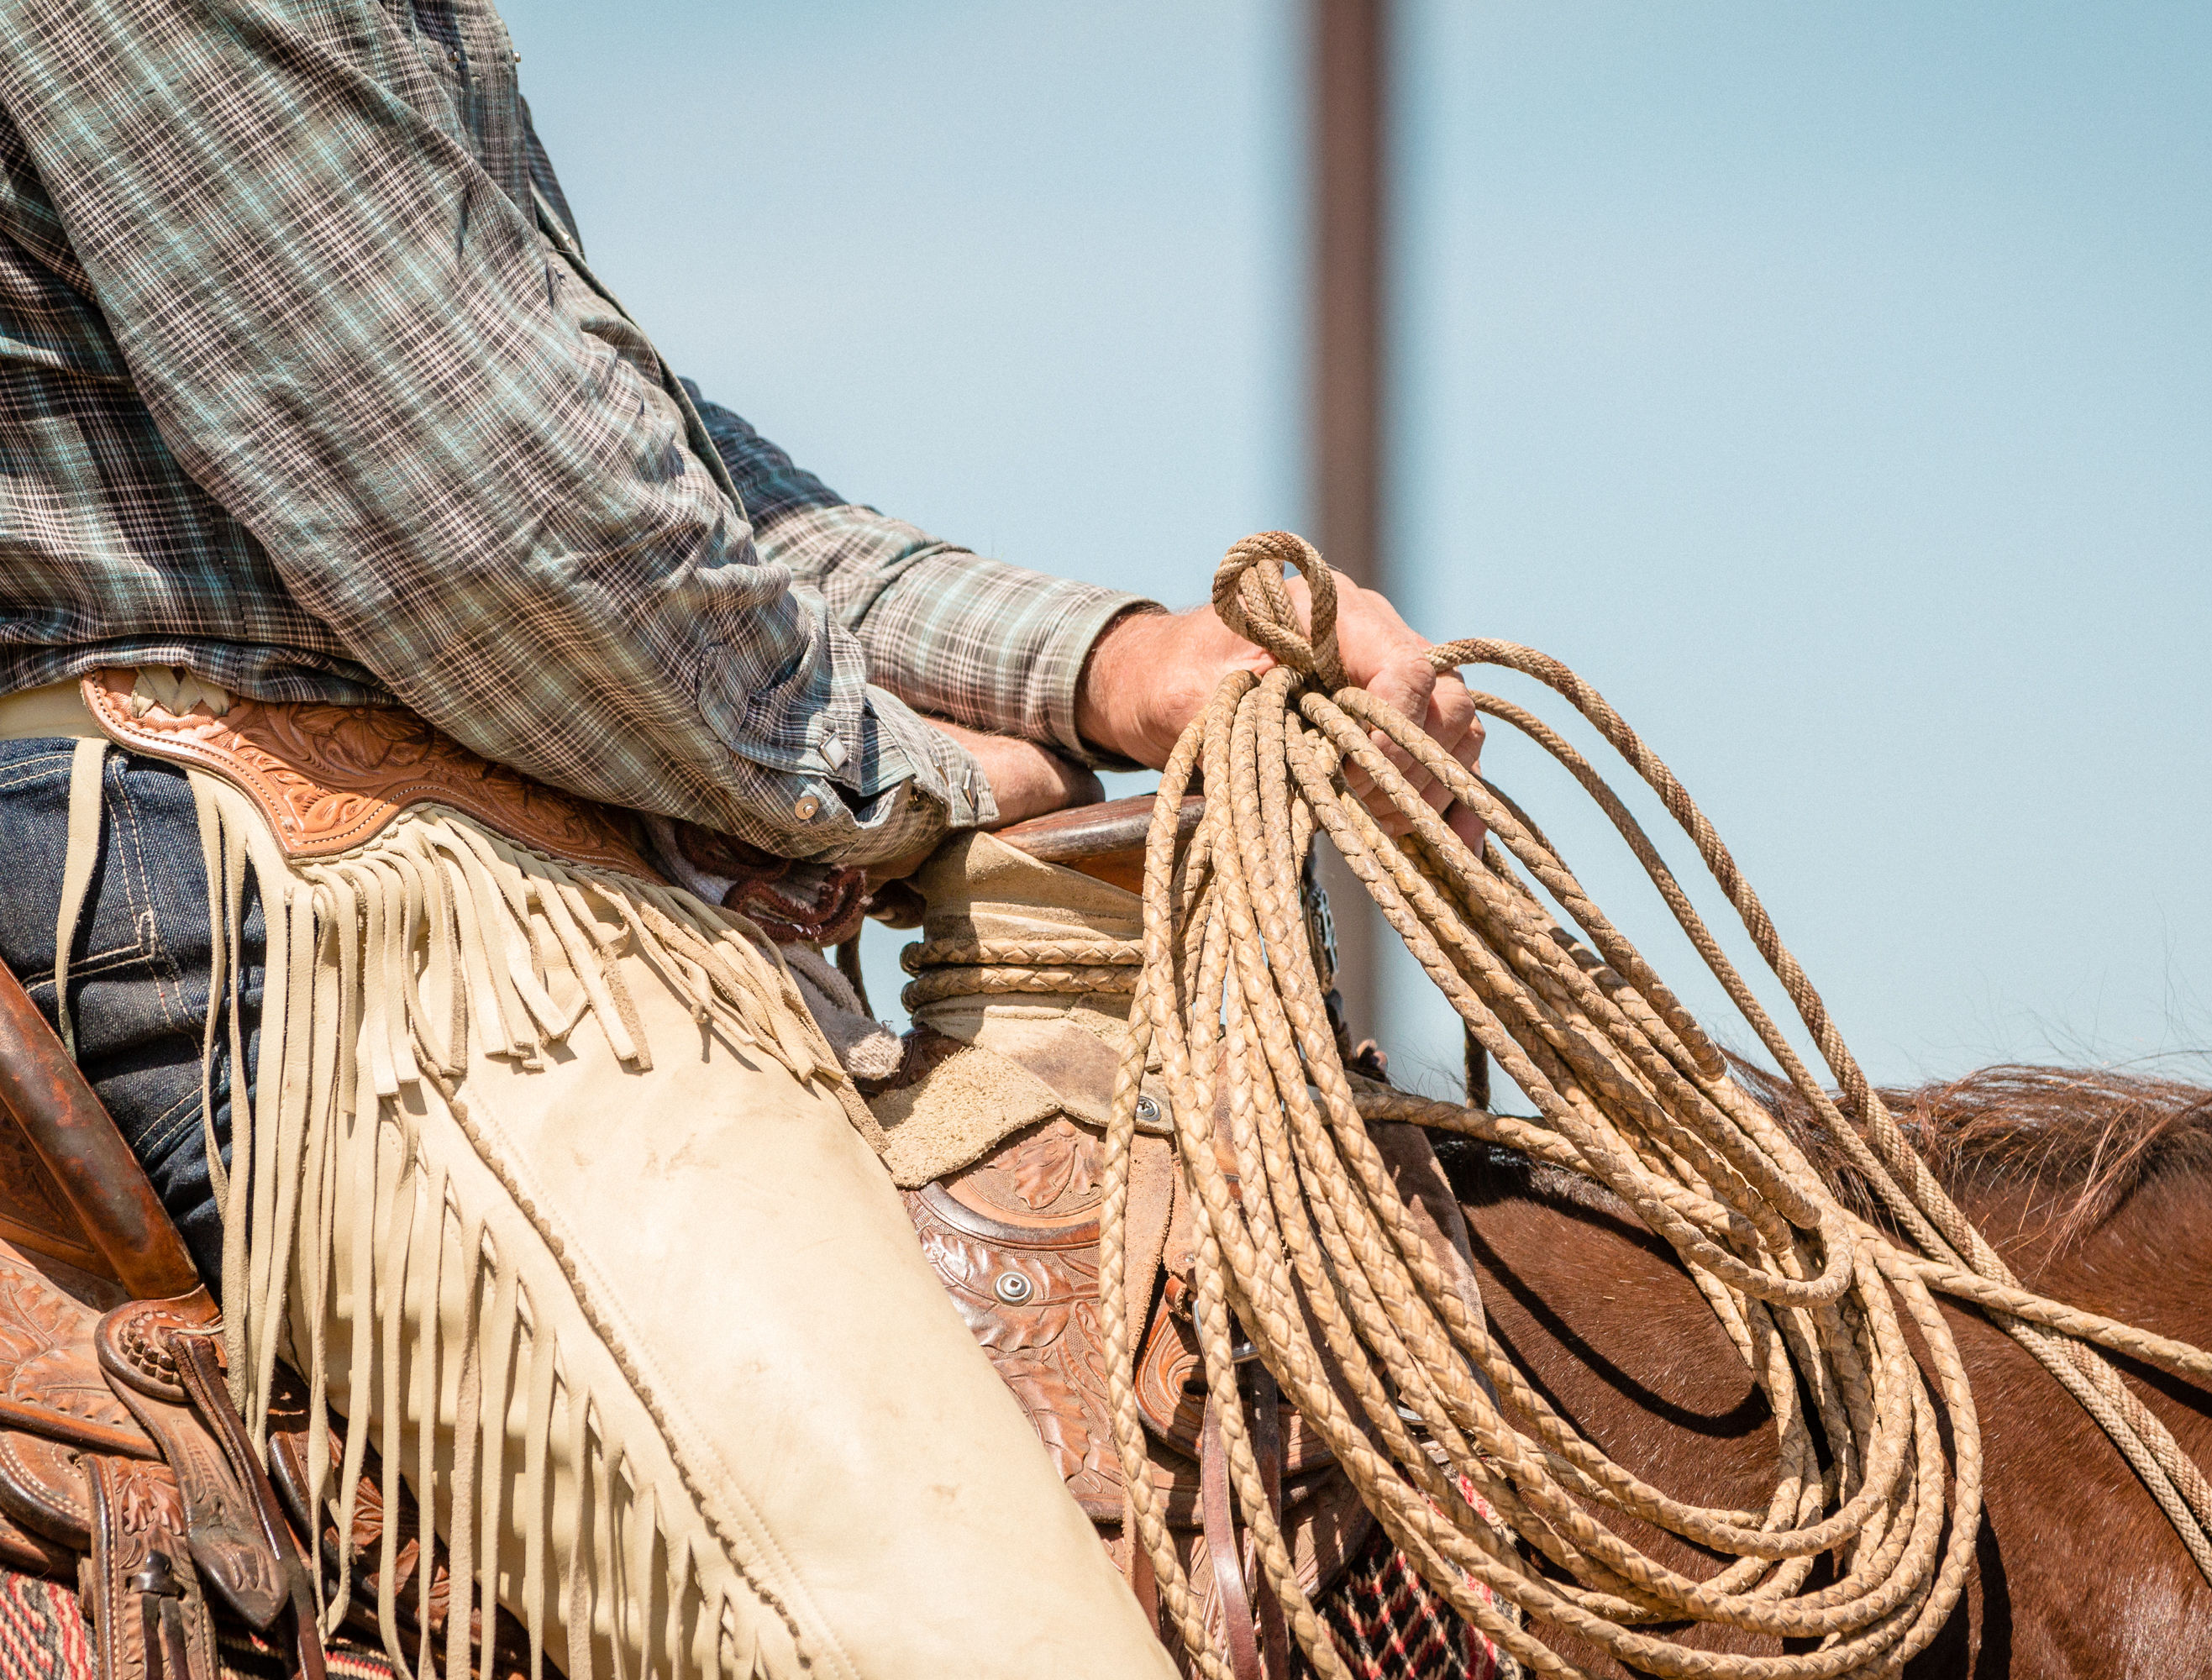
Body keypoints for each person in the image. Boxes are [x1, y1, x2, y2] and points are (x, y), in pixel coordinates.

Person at [0, 3, 1480, 1676]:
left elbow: (653, 481)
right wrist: (909, 781)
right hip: (306, 894)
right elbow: (503, 520)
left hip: (466, 860)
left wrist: (1116, 664)